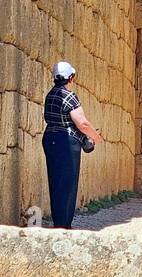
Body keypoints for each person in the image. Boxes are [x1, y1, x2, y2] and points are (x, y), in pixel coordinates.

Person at [42, 61, 102, 229]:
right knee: (68, 182)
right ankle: (64, 224)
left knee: (55, 181)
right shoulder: (69, 96)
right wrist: (95, 137)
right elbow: (82, 123)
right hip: (66, 141)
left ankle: (58, 222)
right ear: (71, 78)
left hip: (50, 138)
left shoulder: (50, 95)